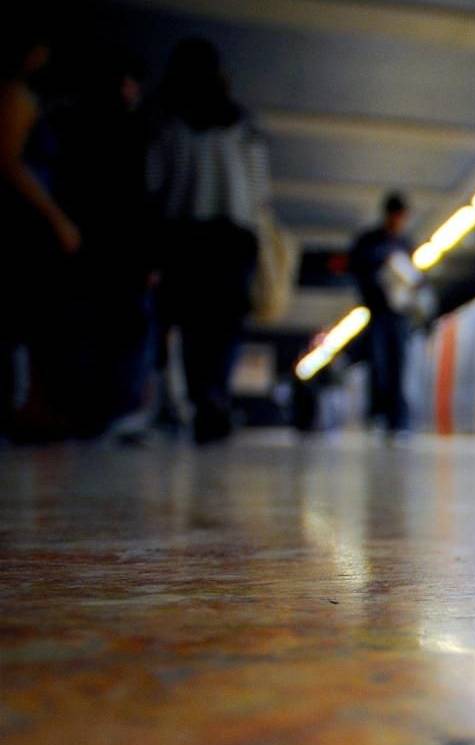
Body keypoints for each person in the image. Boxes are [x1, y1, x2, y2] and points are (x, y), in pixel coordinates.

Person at [147, 37, 268, 445]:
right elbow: (259, 190)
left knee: (189, 323)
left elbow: (154, 181)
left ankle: (194, 396)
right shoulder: (243, 126)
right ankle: (214, 394)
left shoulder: (168, 122)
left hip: (184, 236)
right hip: (234, 238)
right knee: (225, 326)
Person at [53, 46, 154, 438]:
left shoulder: (77, 126)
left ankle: (96, 410)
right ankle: (105, 410)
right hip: (110, 245)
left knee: (103, 329)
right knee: (113, 330)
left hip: (101, 244)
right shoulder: (133, 132)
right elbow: (144, 197)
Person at [1, 24, 81, 441]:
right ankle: (22, 405)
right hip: (22, 223)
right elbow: (10, 161)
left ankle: (28, 403)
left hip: (29, 223)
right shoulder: (15, 95)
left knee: (29, 320)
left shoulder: (27, 96)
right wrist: (55, 217)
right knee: (22, 317)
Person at [348, 192, 419, 435]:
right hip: (377, 311)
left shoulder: (406, 243)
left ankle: (397, 420)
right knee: (378, 364)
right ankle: (378, 413)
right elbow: (356, 268)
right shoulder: (369, 241)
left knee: (399, 364)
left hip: (400, 313)